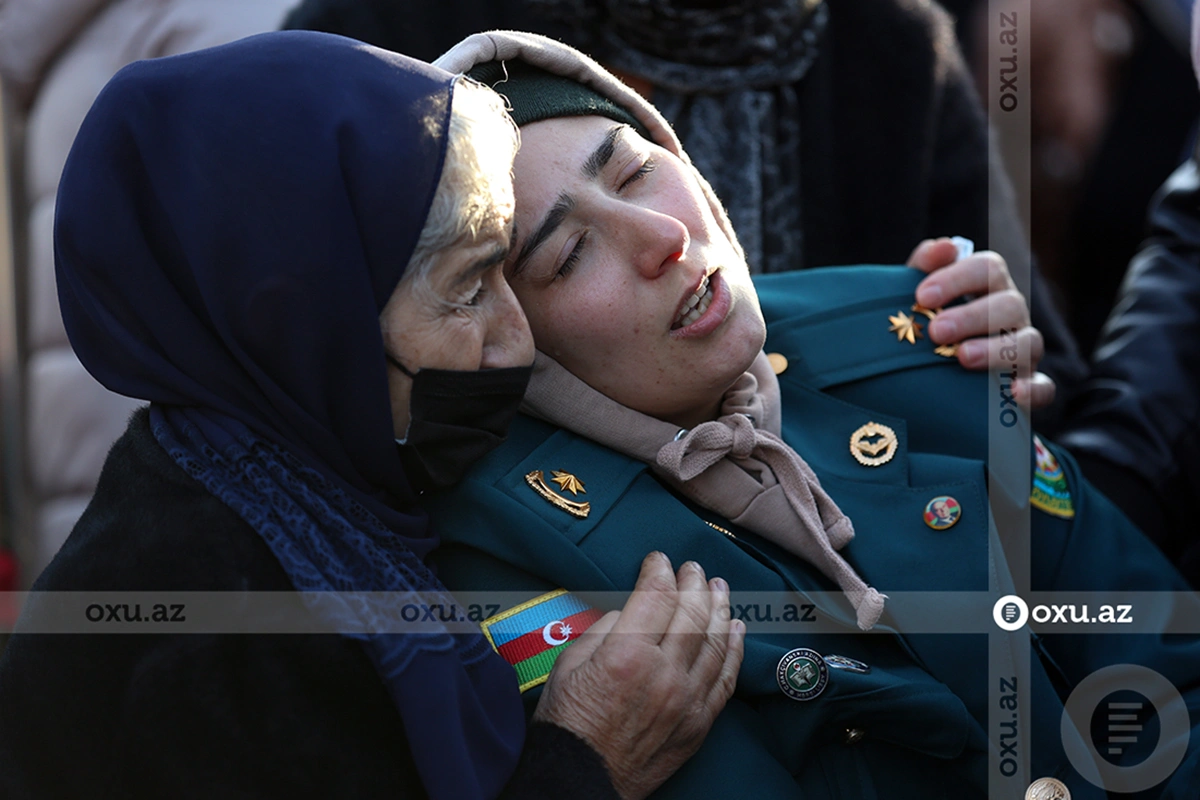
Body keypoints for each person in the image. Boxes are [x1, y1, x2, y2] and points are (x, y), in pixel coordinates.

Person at [424, 31, 1200, 797]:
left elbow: (1166, 671)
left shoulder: (916, 331)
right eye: (568, 255)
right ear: (507, 335)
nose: (663, 238)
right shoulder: (523, 560)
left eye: (634, 173)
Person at [0, 31, 745, 800]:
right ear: (303, 330)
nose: (513, 342)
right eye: (467, 288)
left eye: (504, 271)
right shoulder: (212, 630)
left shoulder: (288, 490)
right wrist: (591, 756)